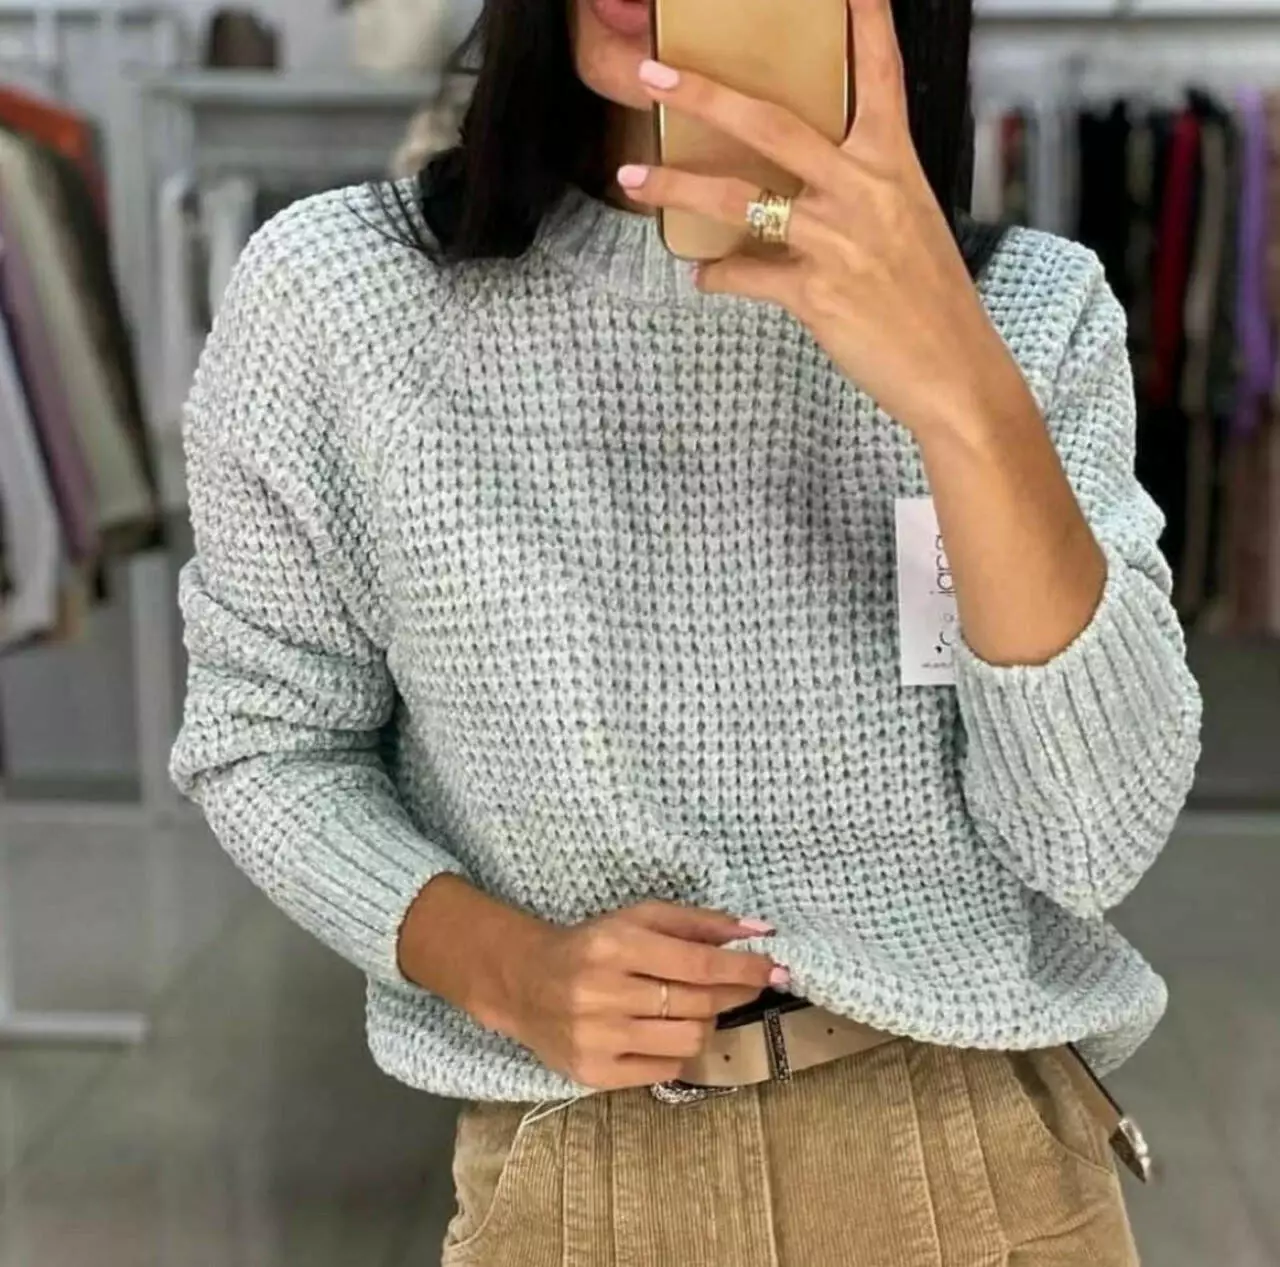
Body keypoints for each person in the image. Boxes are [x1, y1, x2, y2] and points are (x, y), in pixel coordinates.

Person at [169, 0, 1203, 1261]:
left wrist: (963, 394)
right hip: (572, 1170)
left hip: (979, 1159)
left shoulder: (1029, 308)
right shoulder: (341, 298)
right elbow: (266, 740)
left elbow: (1090, 841)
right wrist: (503, 966)